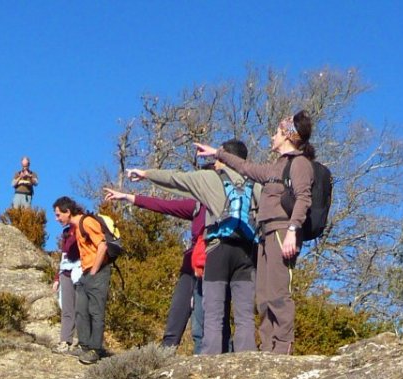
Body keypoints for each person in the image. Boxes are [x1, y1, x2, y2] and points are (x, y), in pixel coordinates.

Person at [125, 141, 258, 356]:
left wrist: (146, 174)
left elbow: (176, 179)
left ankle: (210, 363)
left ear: (222, 158)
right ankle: (247, 363)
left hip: (218, 249)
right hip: (246, 252)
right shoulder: (255, 183)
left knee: (213, 313)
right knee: (245, 315)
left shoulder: (210, 179)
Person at [199, 112, 315, 354]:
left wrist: (293, 230)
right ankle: (267, 348)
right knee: (263, 296)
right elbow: (247, 168)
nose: (272, 136)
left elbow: (304, 198)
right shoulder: (277, 166)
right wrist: (218, 154)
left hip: (283, 231)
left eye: (277, 132)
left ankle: (282, 349)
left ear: (287, 136)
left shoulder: (300, 163)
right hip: (265, 234)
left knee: (278, 293)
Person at [102, 184, 212, 353]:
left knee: (203, 324)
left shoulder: (223, 205)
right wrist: (126, 197)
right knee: (177, 313)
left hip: (211, 266)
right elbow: (163, 205)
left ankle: (205, 361)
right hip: (190, 266)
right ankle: (165, 357)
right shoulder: (197, 205)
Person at [53, 197, 110, 363]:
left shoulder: (87, 222)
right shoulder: (76, 228)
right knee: (81, 310)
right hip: (86, 272)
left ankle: (95, 350)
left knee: (96, 312)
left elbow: (103, 245)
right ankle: (84, 346)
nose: (57, 219)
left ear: (68, 212)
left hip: (97, 271)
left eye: (58, 215)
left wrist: (93, 271)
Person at [52, 212, 82, 352]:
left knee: (81, 309)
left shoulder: (83, 229)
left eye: (58, 215)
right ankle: (65, 341)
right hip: (66, 273)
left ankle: (82, 342)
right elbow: (63, 256)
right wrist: (57, 279)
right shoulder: (66, 232)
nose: (56, 219)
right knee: (67, 309)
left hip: (81, 272)